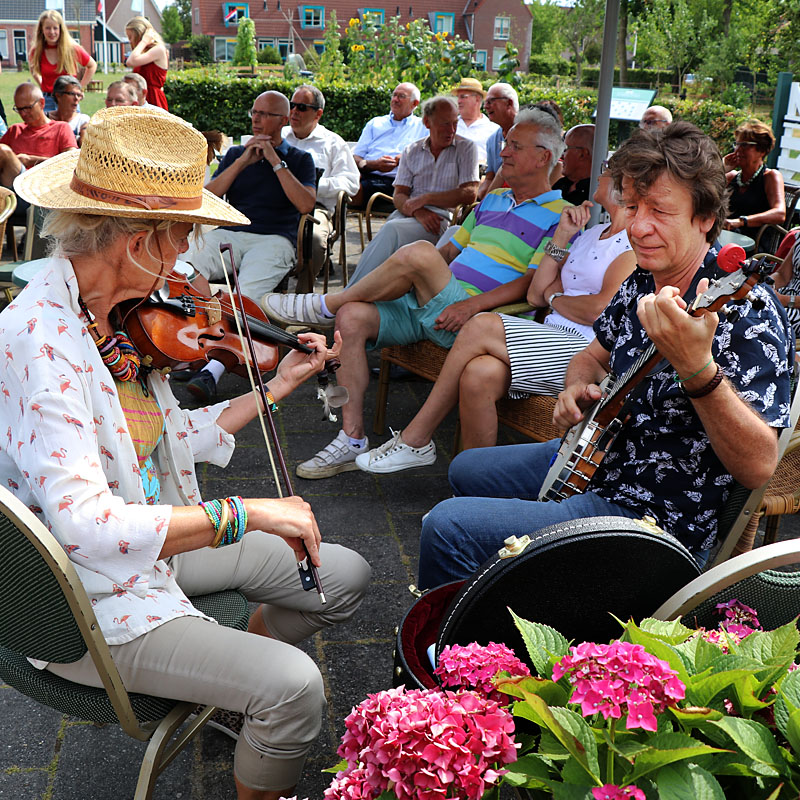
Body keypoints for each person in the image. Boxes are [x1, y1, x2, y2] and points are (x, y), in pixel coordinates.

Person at [3, 105, 370, 800]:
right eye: (182, 236)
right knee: (295, 687)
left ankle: (228, 681)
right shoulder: (42, 341)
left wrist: (280, 383)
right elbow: (86, 528)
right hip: (87, 596)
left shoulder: (112, 318)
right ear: (138, 239)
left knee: (342, 574)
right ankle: (252, 690)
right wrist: (248, 512)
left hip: (148, 546)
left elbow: (175, 437)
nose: (185, 258)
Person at [416, 121, 794, 589]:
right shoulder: (643, 277)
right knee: (466, 469)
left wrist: (698, 370)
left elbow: (758, 466)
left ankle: (485, 631)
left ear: (705, 217)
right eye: (632, 206)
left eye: (659, 210)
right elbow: (592, 355)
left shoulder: (746, 311)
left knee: (447, 528)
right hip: (599, 458)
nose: (637, 226)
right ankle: (516, 596)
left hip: (651, 518)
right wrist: (576, 386)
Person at [262, 109, 571, 479]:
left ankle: (326, 304)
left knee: (419, 253)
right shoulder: (493, 200)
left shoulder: (561, 216)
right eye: (506, 144)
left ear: (543, 157)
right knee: (353, 317)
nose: (503, 152)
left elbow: (530, 285)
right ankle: (352, 438)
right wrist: (415, 277)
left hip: (476, 323)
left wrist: (468, 304)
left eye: (515, 146)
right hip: (437, 303)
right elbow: (448, 252)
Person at [357, 165, 636, 473]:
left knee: (481, 324)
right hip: (552, 334)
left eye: (607, 169)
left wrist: (556, 298)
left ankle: (417, 437)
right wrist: (562, 235)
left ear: (625, 185)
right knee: (478, 375)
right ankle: (473, 486)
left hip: (586, 350)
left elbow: (597, 309)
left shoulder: (632, 243)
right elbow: (536, 294)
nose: (599, 173)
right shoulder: (593, 233)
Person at [179, 90, 316, 402]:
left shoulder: (300, 159)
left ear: (283, 120)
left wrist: (275, 162)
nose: (256, 119)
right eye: (254, 112)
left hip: (274, 240)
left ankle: (212, 370)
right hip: (232, 232)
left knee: (246, 299)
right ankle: (199, 341)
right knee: (183, 266)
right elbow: (208, 199)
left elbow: (306, 205)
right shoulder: (236, 155)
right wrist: (241, 162)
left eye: (265, 114)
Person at [344, 95, 479, 286]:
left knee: (391, 231)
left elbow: (470, 193)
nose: (451, 130)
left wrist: (426, 199)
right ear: (427, 122)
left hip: (439, 220)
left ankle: (351, 291)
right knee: (389, 238)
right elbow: (399, 195)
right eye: (445, 124)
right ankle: (369, 293)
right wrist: (418, 211)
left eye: (455, 123)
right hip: (408, 214)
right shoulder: (412, 150)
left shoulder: (466, 148)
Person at [282, 85, 359, 280]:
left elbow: (351, 182)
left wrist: (312, 187)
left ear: (318, 114)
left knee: (315, 240)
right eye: (292, 105)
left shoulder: (333, 143)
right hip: (275, 203)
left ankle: (303, 290)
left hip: (315, 208)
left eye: (301, 107)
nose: (294, 111)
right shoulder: (279, 136)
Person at [351, 82, 426, 206]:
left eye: (401, 96)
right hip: (366, 174)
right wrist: (373, 164)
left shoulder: (423, 127)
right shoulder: (375, 123)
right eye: (394, 95)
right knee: (342, 184)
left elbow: (429, 156)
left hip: (397, 182)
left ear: (415, 103)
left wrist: (405, 158)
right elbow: (357, 157)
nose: (395, 99)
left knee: (351, 191)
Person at [0, 83, 77, 189]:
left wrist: (31, 160)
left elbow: (71, 164)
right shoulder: (15, 130)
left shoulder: (61, 128)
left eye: (28, 108)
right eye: (19, 109)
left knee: (3, 150)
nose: (23, 114)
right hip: (14, 185)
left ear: (41, 103)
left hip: (45, 186)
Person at [722, 120, 785, 241]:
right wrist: (722, 168)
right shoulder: (732, 177)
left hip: (753, 244)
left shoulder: (770, 176)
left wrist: (741, 221)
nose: (738, 150)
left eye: (745, 145)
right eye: (737, 144)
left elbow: (780, 213)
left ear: (762, 150)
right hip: (727, 239)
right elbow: (703, 196)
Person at [28, 9, 97, 114]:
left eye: (55, 28)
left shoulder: (72, 48)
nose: (52, 32)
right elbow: (33, 68)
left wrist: (79, 88)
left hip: (69, 99)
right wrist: (41, 83)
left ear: (61, 29)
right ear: (42, 29)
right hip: (48, 100)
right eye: (48, 28)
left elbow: (92, 65)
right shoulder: (37, 51)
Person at [477, 83, 518, 201]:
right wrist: (478, 198)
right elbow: (490, 178)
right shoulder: (492, 140)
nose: (485, 106)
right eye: (485, 102)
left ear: (509, 103)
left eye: (491, 101)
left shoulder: (529, 134)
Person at [125, 16, 169, 111]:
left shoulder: (158, 49)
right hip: (142, 98)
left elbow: (130, 62)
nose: (130, 41)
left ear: (139, 35)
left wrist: (144, 41)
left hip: (153, 98)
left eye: (130, 37)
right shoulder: (142, 53)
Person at [452, 77, 500, 164]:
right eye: (458, 97)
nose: (459, 101)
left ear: (477, 99)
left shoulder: (493, 130)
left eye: (463, 97)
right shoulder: (449, 126)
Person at [553, 124, 594, 205]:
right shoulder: (562, 184)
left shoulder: (596, 195)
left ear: (582, 154)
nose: (562, 155)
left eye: (565, 149)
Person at [48, 75, 89, 143]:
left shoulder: (83, 121)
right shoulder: (45, 119)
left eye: (79, 95)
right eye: (72, 94)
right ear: (58, 95)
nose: (76, 98)